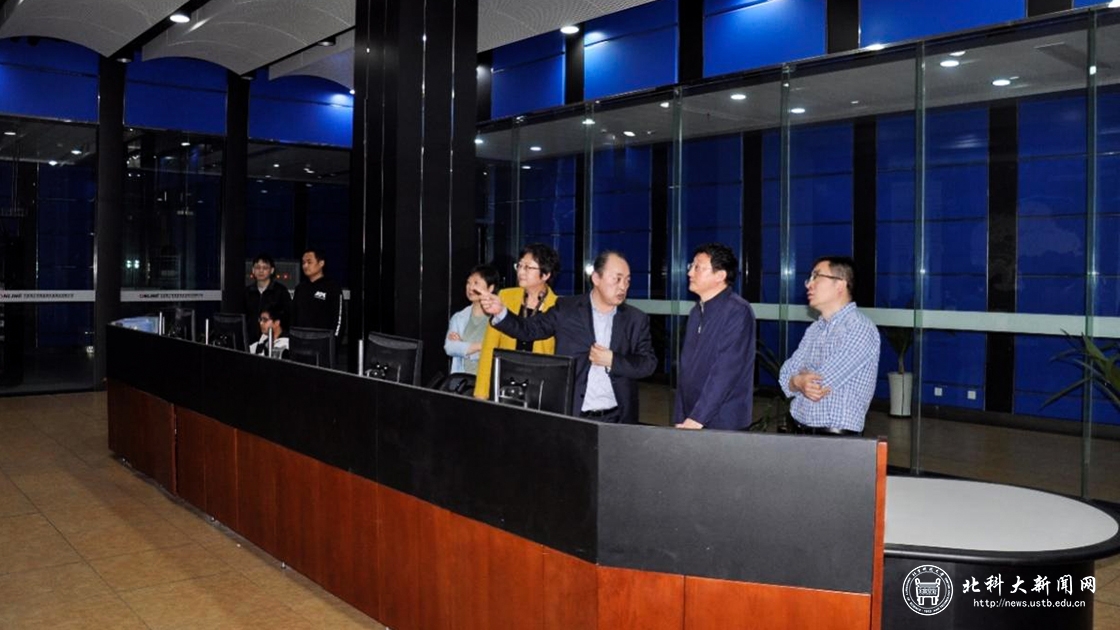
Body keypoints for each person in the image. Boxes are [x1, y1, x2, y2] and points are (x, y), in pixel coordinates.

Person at [480, 250, 657, 424]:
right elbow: (529, 330)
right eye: (617, 279)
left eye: (627, 280)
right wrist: (500, 312)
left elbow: (648, 364)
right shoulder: (567, 309)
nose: (623, 286)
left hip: (618, 417)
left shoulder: (635, 319)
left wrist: (613, 360)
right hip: (573, 416)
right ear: (596, 278)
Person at [779, 256, 880, 436]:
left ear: (840, 284)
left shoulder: (860, 328)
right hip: (800, 431)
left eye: (816, 277)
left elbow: (819, 384)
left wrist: (798, 380)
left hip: (835, 438)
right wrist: (797, 381)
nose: (809, 285)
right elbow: (785, 374)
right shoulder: (815, 329)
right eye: (810, 278)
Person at [673, 243, 756, 430]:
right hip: (692, 418)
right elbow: (685, 370)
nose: (690, 273)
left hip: (722, 422)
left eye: (698, 267)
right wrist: (680, 415)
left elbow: (726, 371)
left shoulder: (737, 311)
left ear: (720, 276)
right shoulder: (696, 312)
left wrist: (697, 418)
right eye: (691, 266)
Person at [473, 243, 560, 400]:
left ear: (545, 275)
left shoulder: (558, 307)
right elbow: (489, 347)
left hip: (540, 390)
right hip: (504, 383)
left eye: (528, 267)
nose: (520, 271)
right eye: (519, 265)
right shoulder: (505, 297)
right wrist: (481, 393)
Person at [445, 264, 500, 375]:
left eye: (476, 283)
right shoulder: (459, 317)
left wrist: (463, 346)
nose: (470, 288)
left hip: (488, 378)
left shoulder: (498, 317)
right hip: (462, 379)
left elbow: (496, 351)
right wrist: (481, 346)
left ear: (490, 288)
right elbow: (449, 347)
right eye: (468, 283)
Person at [291, 248, 343, 336]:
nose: (305, 266)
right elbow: (293, 317)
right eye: (303, 263)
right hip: (301, 340)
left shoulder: (332, 287)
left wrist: (334, 340)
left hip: (324, 340)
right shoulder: (300, 288)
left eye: (309, 262)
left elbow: (338, 319)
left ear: (321, 263)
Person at [244, 253, 292, 321]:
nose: (261, 271)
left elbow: (287, 316)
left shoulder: (281, 291)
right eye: (257, 268)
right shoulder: (247, 292)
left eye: (265, 268)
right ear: (253, 270)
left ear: (272, 270)